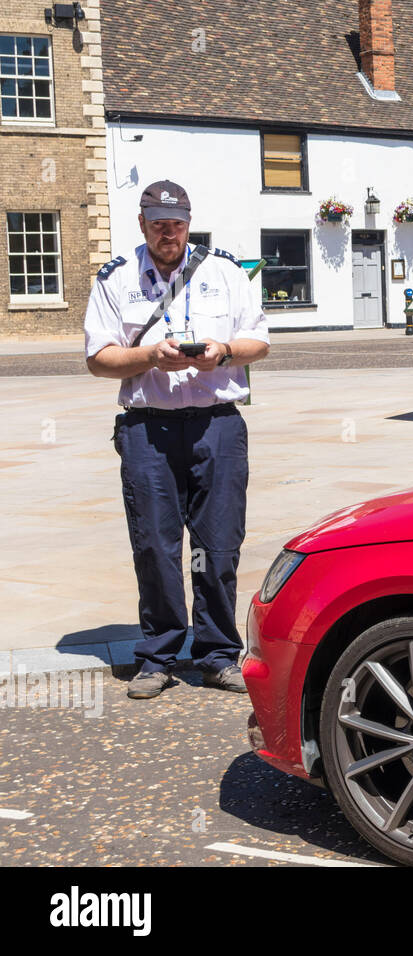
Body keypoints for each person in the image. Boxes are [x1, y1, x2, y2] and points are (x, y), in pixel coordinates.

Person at [84, 180, 270, 699]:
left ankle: (217, 654)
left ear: (190, 223)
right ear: (142, 223)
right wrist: (150, 356)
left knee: (218, 545)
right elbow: (98, 359)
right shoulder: (116, 279)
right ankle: (157, 656)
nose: (170, 232)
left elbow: (261, 341)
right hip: (148, 429)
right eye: (159, 223)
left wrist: (225, 350)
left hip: (217, 425)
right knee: (155, 545)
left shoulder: (224, 271)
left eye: (178, 223)